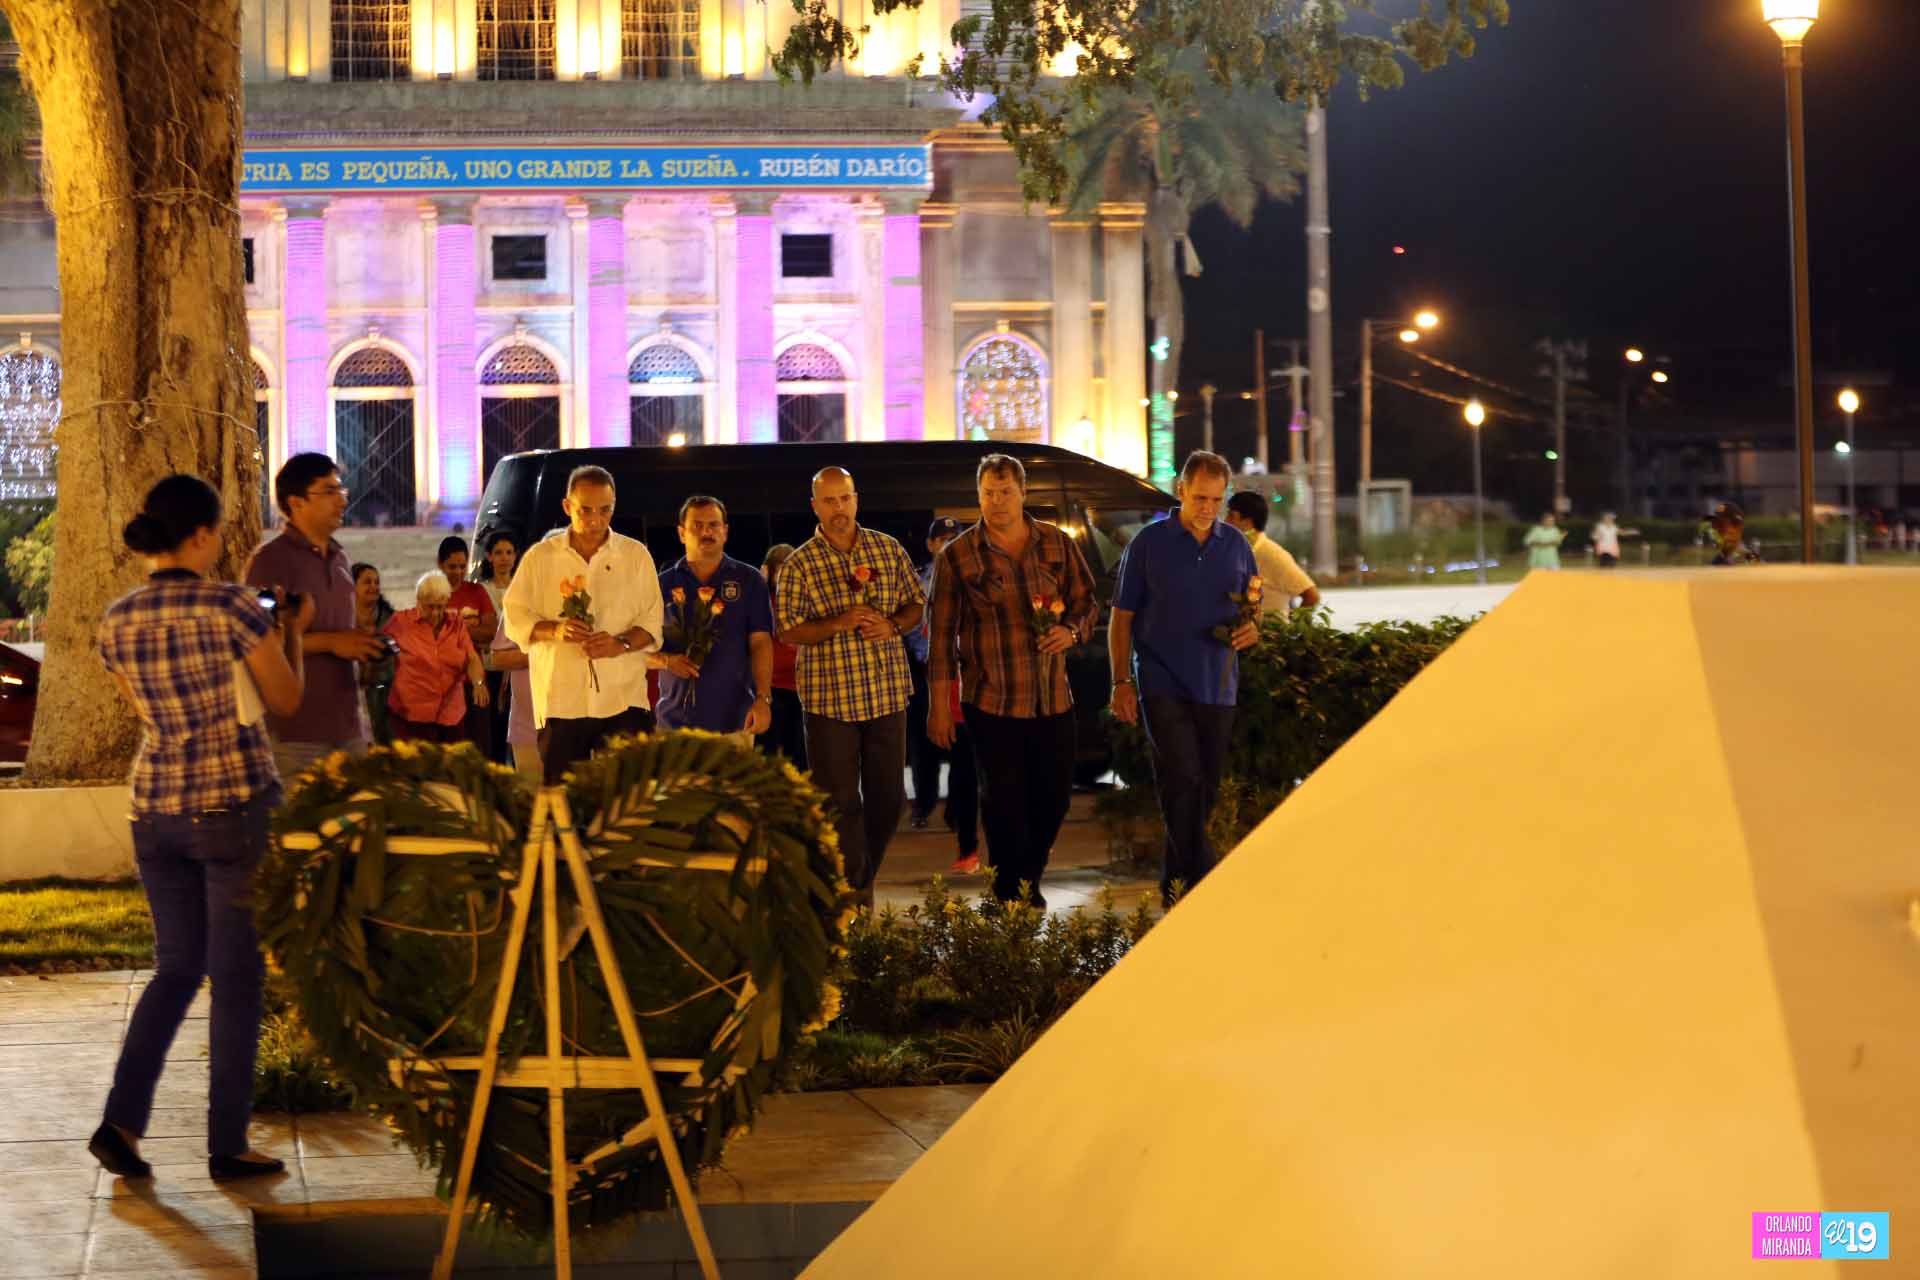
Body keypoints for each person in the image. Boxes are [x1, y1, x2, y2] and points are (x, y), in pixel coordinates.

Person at [91, 474, 310, 1183]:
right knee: (237, 977)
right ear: (204, 535)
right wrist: (294, 634)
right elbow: (286, 699)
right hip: (232, 803)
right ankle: (227, 1143)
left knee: (177, 968)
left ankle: (121, 1123)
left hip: (155, 807)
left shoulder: (117, 620)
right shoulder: (232, 606)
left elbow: (143, 710)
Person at [928, 455, 1098, 905]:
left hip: (1052, 699)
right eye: (988, 493)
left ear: (1023, 493)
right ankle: (1011, 895)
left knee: (1054, 799)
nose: (997, 501)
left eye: (1005, 492)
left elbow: (1087, 602)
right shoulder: (959, 556)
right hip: (991, 701)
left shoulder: (1057, 543)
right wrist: (939, 708)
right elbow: (941, 637)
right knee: (1003, 802)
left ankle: (1028, 877)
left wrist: (1071, 631)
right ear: (978, 495)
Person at [1108, 451, 1260, 909]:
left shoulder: (1237, 546)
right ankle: (1207, 881)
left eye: (1216, 499)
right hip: (1162, 680)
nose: (1208, 508)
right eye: (1199, 498)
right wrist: (1120, 681)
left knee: (1204, 786)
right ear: (1181, 491)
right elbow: (1121, 617)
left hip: (1219, 683)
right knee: (1182, 777)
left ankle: (1176, 886)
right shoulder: (1148, 543)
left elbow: (1252, 610)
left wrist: (1253, 630)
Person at [774, 466, 925, 901]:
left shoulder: (887, 549)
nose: (838, 508)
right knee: (839, 803)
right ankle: (856, 894)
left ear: (856, 499)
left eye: (845, 498)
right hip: (829, 701)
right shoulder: (800, 563)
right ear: (815, 506)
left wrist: (893, 626)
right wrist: (837, 623)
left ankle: (857, 880)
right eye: (829, 501)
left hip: (886, 693)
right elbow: (788, 630)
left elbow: (917, 604)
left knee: (890, 799)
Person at [502, 464, 663, 784]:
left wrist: (620, 643)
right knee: (563, 799)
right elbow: (515, 616)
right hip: (561, 701)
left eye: (605, 510)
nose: (595, 520)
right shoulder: (540, 557)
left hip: (623, 699)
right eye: (585, 510)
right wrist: (555, 630)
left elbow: (653, 621)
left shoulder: (635, 556)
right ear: (567, 507)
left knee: (623, 798)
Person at [245, 453, 384, 779]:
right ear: (296, 502)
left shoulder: (340, 559)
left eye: (341, 490)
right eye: (329, 491)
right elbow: (259, 645)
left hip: (349, 729)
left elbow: (345, 637)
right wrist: (331, 643)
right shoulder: (271, 562)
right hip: (296, 738)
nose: (341, 500)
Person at [649, 496, 774, 742]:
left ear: (725, 531)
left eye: (713, 525)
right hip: (674, 723)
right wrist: (666, 661)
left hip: (736, 722)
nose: (706, 532)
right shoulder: (660, 585)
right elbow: (636, 651)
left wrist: (763, 698)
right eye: (697, 525)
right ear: (682, 533)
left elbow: (761, 643)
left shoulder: (750, 580)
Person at [383, 571, 489, 743]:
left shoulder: (456, 623)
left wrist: (478, 683)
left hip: (451, 714)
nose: (435, 613)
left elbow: (471, 657)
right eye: (429, 607)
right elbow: (380, 647)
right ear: (418, 600)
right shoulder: (400, 622)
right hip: (411, 715)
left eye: (440, 607)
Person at [906, 517, 963, 828]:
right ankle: (923, 806)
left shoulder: (971, 576)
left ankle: (957, 810)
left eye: (954, 538)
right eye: (942, 539)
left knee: (961, 745)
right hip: (924, 670)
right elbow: (908, 625)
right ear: (930, 544)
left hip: (961, 672)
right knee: (923, 744)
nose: (948, 544)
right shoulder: (917, 580)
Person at [1224, 491, 1320, 618]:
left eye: (1231, 516)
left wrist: (1290, 627)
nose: (1225, 521)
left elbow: (1311, 596)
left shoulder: (1272, 554)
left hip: (1268, 631)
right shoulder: (1236, 550)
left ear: (1247, 522)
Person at [756, 544, 808, 770]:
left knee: (801, 754)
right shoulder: (762, 600)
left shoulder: (804, 600)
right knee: (771, 755)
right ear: (769, 571)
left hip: (802, 687)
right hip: (771, 687)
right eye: (781, 570)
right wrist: (760, 585)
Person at [474, 533, 519, 763]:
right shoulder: (481, 591)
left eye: (509, 553)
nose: (504, 558)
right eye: (499, 553)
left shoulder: (523, 589)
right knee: (493, 729)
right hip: (491, 668)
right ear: (489, 557)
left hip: (518, 668)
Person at [351, 562, 396, 744]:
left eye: (376, 582)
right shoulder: (341, 619)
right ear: (352, 586)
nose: (373, 587)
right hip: (352, 697)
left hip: (387, 698)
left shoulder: (391, 619)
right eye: (367, 582)